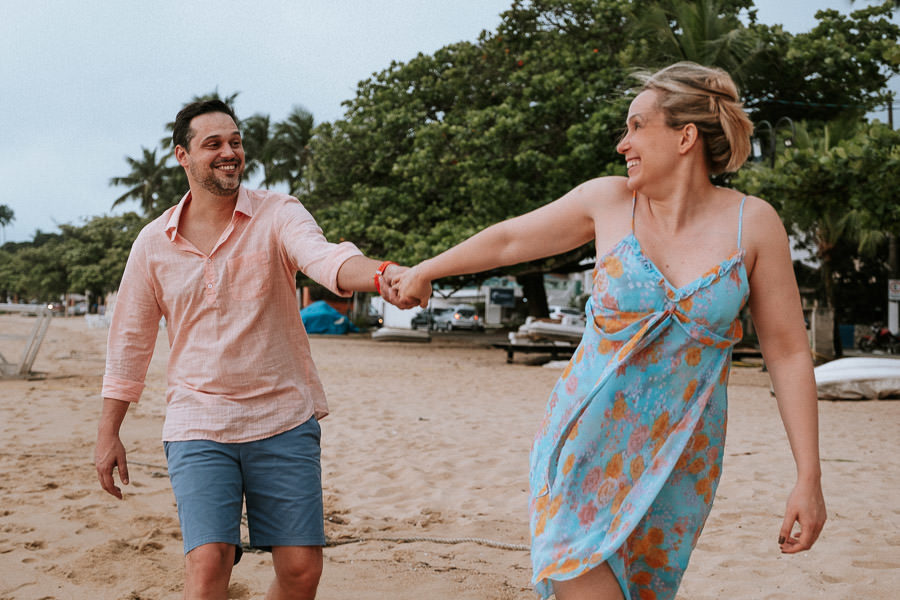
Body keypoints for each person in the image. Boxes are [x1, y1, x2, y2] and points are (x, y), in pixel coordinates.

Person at [395, 62, 826, 600]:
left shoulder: (753, 223)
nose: (624, 144)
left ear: (686, 137)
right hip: (582, 447)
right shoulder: (609, 202)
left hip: (678, 462)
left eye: (637, 126)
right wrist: (426, 270)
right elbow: (509, 241)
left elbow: (788, 354)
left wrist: (808, 476)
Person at [94, 99, 413, 600]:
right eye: (214, 144)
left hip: (282, 416)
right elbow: (130, 342)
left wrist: (382, 275)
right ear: (182, 156)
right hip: (198, 421)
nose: (230, 152)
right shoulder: (152, 243)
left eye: (236, 142)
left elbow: (324, 258)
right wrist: (108, 432)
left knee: (301, 570)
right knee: (208, 565)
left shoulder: (278, 213)